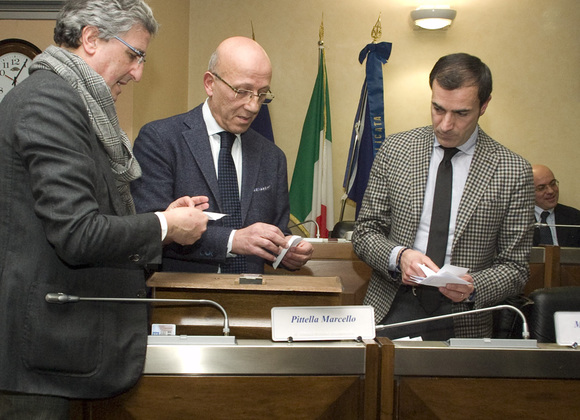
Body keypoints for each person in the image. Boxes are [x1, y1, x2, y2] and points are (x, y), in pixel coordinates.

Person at [0, 1, 209, 418]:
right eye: (134, 55)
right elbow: (78, 234)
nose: (138, 73)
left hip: (61, 355)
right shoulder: (51, 102)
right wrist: (163, 226)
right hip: (42, 361)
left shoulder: (71, 100)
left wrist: (161, 219)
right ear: (91, 38)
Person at [352, 53, 535, 340]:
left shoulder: (512, 170)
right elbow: (365, 231)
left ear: (484, 106)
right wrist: (399, 257)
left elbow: (515, 267)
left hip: (465, 316)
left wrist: (474, 285)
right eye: (438, 109)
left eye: (461, 113)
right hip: (393, 304)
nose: (445, 125)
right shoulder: (396, 150)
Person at [131, 36, 313, 274]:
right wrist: (231, 240)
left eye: (262, 93)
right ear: (210, 83)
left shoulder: (272, 157)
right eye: (242, 91)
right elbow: (148, 231)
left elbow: (276, 232)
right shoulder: (161, 140)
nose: (253, 106)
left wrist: (287, 251)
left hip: (252, 294)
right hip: (181, 293)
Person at [532, 164, 580, 247]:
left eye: (553, 184)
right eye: (541, 188)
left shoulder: (575, 217)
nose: (550, 191)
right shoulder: (516, 218)